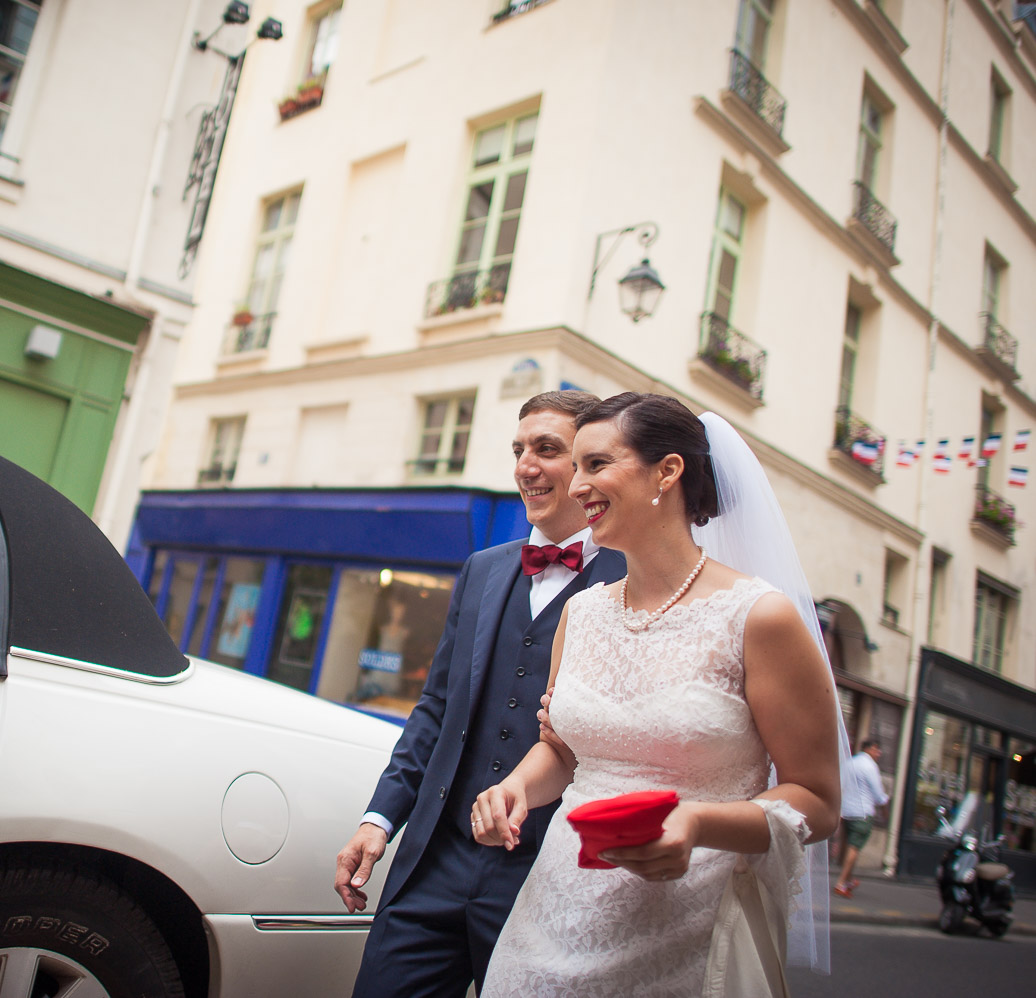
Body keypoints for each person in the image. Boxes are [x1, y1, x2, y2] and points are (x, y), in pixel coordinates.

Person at [471, 393, 847, 997]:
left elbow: (818, 800)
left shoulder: (758, 618)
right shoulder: (583, 612)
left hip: (687, 931)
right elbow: (564, 754)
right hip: (552, 916)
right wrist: (515, 788)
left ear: (667, 472)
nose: (576, 487)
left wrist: (696, 824)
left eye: (596, 465)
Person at [333, 390, 626, 997]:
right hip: (435, 859)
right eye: (519, 450)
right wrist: (380, 817)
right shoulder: (484, 568)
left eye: (548, 449)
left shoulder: (630, 582)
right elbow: (436, 708)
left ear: (590, 466)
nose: (526, 466)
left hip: (547, 869)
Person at [834, 738, 889, 898]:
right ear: (869, 749)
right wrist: (885, 810)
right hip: (862, 812)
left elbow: (840, 784)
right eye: (876, 749)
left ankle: (849, 879)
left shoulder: (850, 763)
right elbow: (878, 794)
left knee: (848, 845)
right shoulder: (870, 766)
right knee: (854, 847)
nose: (879, 753)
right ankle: (841, 882)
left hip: (847, 810)